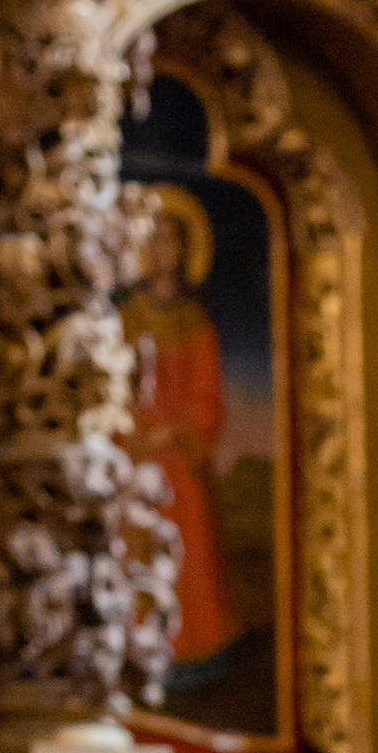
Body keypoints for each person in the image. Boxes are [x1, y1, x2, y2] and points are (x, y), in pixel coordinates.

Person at [129, 183, 237, 671]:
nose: (160, 250)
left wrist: (173, 430)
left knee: (186, 544)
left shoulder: (197, 324)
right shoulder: (124, 317)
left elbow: (206, 399)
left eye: (169, 240)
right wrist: (135, 432)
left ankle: (192, 646)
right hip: (133, 452)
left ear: (184, 251)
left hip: (178, 456)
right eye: (151, 239)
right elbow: (110, 388)